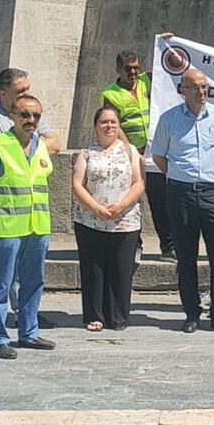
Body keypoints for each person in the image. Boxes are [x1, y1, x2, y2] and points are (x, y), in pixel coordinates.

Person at [0, 68, 61, 345]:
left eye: (35, 116)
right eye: (24, 113)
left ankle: (29, 330)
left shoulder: (38, 146)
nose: (31, 119)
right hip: (5, 223)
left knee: (33, 280)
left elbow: (55, 143)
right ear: (11, 112)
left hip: (37, 224)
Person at [150, 69, 214, 335]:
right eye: (195, 87)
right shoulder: (169, 119)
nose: (201, 92)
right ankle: (191, 312)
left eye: (204, 87)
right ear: (182, 90)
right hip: (181, 194)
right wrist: (180, 177)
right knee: (186, 255)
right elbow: (159, 157)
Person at [72, 105, 145, 332]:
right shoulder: (86, 153)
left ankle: (118, 317)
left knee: (121, 270)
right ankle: (95, 316)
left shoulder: (130, 151)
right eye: (104, 122)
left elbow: (139, 182)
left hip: (125, 221)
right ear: (95, 126)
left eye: (113, 122)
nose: (109, 126)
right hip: (90, 221)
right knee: (94, 270)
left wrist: (122, 205)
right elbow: (77, 184)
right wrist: (95, 208)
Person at [101, 51, 175, 263]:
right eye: (128, 68)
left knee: (160, 201)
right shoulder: (110, 94)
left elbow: (168, 67)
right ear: (118, 69)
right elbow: (113, 125)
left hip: (153, 153)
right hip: (128, 155)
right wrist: (131, 150)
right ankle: (134, 245)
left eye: (136, 67)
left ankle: (168, 247)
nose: (133, 72)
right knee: (131, 204)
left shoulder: (147, 81)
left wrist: (168, 46)